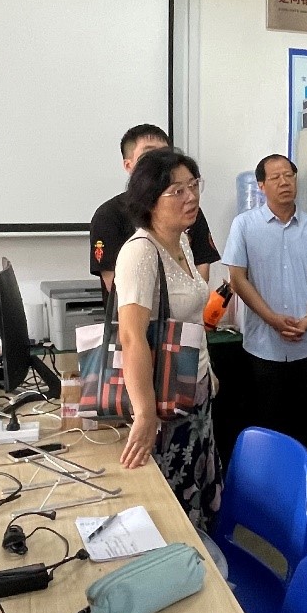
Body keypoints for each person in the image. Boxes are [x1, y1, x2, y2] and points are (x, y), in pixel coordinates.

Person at [113, 149, 221, 532]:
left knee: (197, 493)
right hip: (164, 402)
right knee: (172, 509)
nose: (191, 197)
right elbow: (132, 337)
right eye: (177, 191)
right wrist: (145, 413)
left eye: (194, 185)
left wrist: (207, 372)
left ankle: (205, 556)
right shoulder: (140, 253)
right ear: (150, 201)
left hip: (194, 392)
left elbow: (189, 319)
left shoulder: (183, 242)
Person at [221, 154, 307, 510]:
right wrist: (271, 318)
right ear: (261, 185)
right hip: (264, 344)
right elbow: (237, 278)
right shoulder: (244, 225)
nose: (285, 182)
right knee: (268, 420)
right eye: (276, 177)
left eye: (290, 175)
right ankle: (272, 490)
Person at [90, 123, 220, 297]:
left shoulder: (187, 210)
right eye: (148, 156)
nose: (160, 163)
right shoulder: (110, 217)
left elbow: (202, 264)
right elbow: (118, 289)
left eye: (165, 154)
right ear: (128, 165)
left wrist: (192, 300)